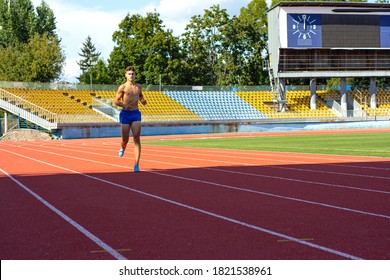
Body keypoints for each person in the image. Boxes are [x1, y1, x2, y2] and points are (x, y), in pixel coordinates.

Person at [114, 66, 147, 172]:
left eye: (132, 74)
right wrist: (124, 106)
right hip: (125, 114)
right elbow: (116, 101)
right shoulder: (122, 87)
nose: (131, 75)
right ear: (126, 75)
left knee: (137, 138)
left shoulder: (138, 87)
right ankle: (123, 147)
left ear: (135, 75)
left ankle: (136, 164)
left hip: (136, 114)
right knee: (125, 139)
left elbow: (141, 96)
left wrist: (142, 101)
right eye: (129, 74)